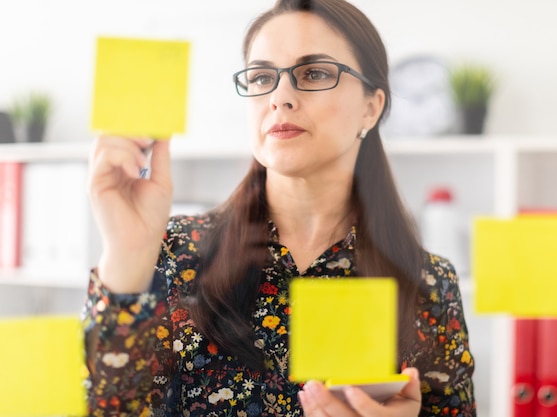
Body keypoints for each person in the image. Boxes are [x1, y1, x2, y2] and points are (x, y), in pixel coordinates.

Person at [83, 0, 476, 415]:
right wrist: (126, 256)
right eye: (262, 77)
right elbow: (109, 408)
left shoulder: (429, 284)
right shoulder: (171, 252)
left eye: (315, 73)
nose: (280, 97)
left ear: (371, 107)